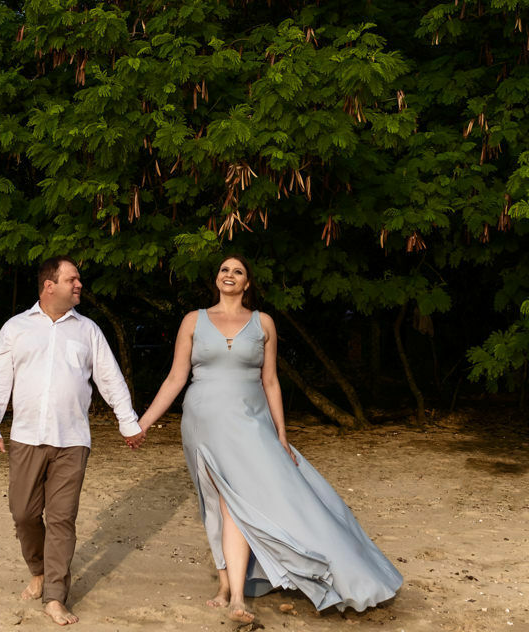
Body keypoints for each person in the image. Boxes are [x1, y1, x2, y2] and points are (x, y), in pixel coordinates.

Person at [137, 256, 403, 622]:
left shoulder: (263, 323)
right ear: (216, 279)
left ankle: (241, 593)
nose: (229, 275)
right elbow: (175, 378)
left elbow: (271, 381)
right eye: (224, 270)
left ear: (247, 284)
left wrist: (281, 434)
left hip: (251, 424)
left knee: (252, 500)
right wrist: (145, 422)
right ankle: (229, 590)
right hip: (203, 422)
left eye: (238, 272)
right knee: (218, 502)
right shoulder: (193, 321)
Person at [0, 255, 146, 626]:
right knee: (23, 513)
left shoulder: (87, 330)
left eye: (79, 279)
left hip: (73, 441)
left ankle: (55, 595)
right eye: (73, 279)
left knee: (61, 519)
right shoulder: (15, 328)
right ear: (49, 285)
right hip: (26, 438)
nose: (79, 285)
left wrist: (127, 422)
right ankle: (37, 569)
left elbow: (110, 378)